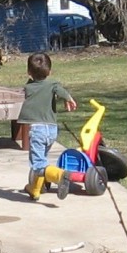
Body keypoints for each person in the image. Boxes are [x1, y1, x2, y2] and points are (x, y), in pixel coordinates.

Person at [18, 51, 77, 200]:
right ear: (50, 71)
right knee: (41, 160)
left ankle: (60, 175)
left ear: (28, 72)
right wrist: (68, 99)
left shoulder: (29, 87)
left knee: (38, 164)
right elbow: (60, 90)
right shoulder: (53, 84)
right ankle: (35, 190)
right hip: (51, 130)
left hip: (37, 130)